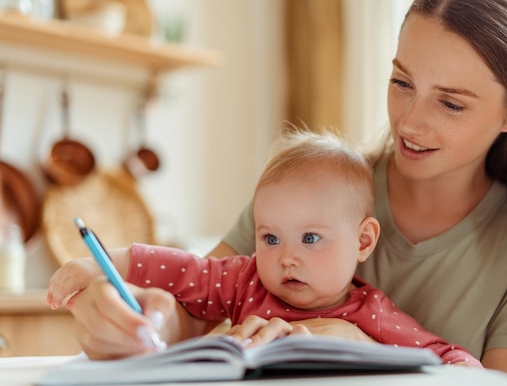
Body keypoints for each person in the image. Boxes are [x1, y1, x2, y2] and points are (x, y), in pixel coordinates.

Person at [47, 0, 507, 385]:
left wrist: (365, 349)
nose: (410, 121)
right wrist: (140, 318)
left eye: (451, 104)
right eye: (402, 83)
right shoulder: (310, 188)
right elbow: (201, 304)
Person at [48, 129, 483, 367]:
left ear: (363, 241)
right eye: (270, 238)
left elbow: (440, 355)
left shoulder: (370, 312)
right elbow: (181, 270)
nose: (285, 257)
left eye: (310, 238)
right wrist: (102, 265)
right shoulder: (246, 280)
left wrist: (462, 366)